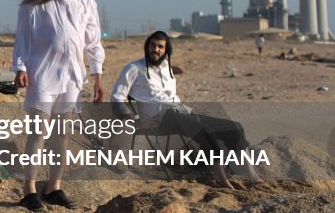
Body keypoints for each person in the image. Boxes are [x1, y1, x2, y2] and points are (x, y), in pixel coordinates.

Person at [12, 0, 105, 210]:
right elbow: (23, 39)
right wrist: (20, 68)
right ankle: (29, 190)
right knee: (38, 132)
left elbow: (93, 42)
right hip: (41, 74)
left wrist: (98, 76)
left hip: (72, 78)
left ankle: (54, 187)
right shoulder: (33, 1)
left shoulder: (86, 1)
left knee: (61, 135)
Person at [110, 30, 260, 189]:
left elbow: (172, 99)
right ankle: (223, 180)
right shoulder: (134, 68)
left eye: (160, 46)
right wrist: (133, 120)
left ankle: (252, 176)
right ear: (147, 47)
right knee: (205, 130)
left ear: (166, 50)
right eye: (152, 45)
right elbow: (116, 97)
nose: (156, 49)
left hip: (181, 113)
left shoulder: (168, 70)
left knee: (234, 127)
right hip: (158, 120)